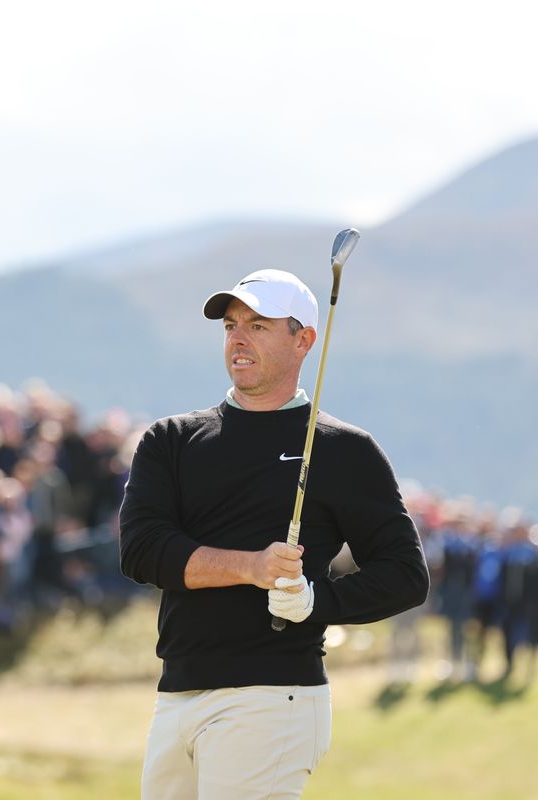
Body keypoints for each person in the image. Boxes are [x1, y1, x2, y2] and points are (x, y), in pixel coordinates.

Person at [119, 268, 430, 799]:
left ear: (303, 339)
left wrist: (316, 601)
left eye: (258, 326)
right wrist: (252, 567)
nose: (238, 338)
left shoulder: (344, 450)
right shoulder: (171, 439)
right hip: (176, 691)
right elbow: (142, 552)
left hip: (274, 694)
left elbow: (404, 575)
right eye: (231, 326)